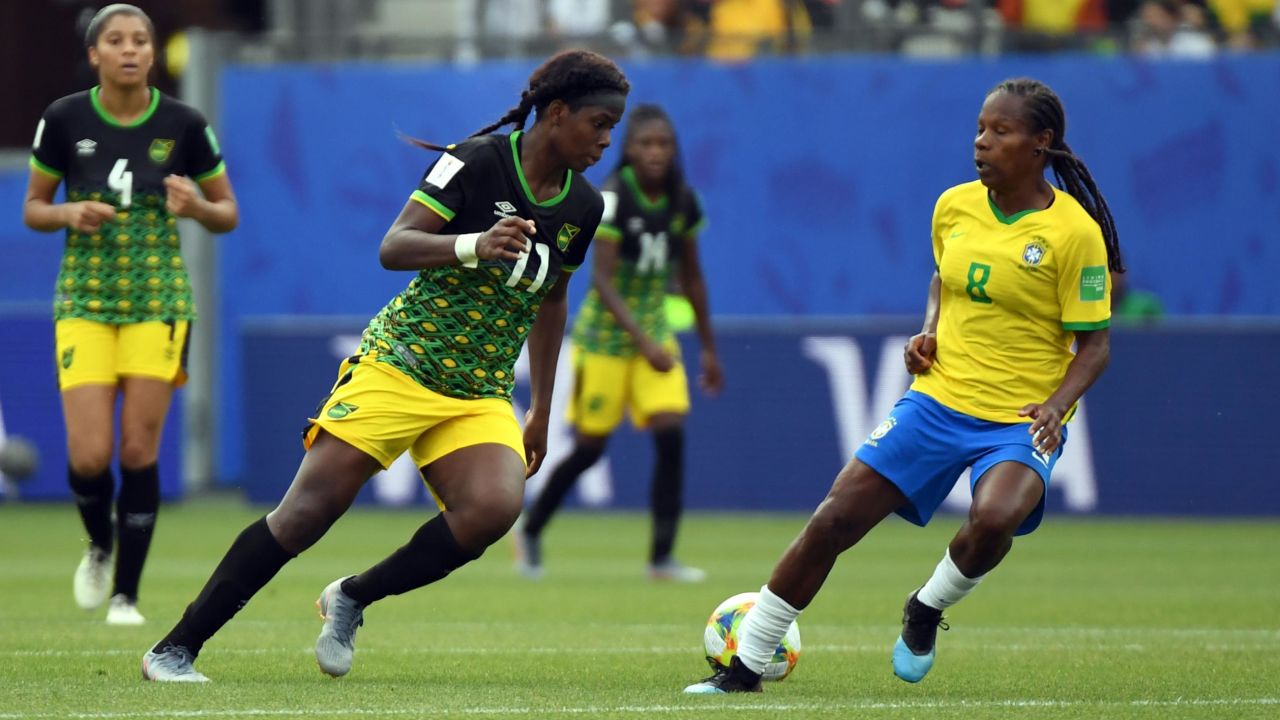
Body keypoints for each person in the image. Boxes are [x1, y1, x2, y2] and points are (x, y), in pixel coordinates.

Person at [140, 49, 629, 682]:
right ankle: (175, 647)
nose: (605, 140)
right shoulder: (476, 161)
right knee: (307, 513)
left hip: (476, 391)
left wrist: (539, 408)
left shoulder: (584, 207)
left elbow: (554, 298)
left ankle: (352, 597)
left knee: (492, 510)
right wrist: (473, 244)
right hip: (400, 364)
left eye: (610, 128)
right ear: (557, 113)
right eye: (597, 123)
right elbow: (393, 246)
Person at [685, 77, 1123, 693]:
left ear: (1040, 143)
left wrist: (1056, 405)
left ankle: (925, 608)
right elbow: (943, 281)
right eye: (979, 128)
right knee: (834, 519)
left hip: (1022, 416)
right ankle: (743, 668)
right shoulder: (954, 206)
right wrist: (928, 331)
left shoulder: (1074, 234)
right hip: (939, 400)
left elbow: (1096, 345)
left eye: (1001, 131)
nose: (981, 142)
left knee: (994, 519)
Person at [22, 3, 239, 626]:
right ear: (95, 54)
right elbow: (34, 206)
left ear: (152, 52)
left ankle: (126, 595)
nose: (130, 50)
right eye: (115, 40)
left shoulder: (185, 123)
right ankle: (98, 544)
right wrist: (67, 212)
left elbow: (228, 213)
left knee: (138, 449)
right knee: (90, 456)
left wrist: (197, 205)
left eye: (141, 40)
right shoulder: (63, 119)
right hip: (85, 301)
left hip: (158, 300)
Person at [515, 104, 722, 582]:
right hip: (605, 341)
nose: (655, 153)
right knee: (589, 448)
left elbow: (692, 276)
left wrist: (709, 348)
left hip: (655, 338)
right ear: (629, 150)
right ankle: (531, 528)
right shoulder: (610, 199)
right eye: (645, 144)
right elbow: (602, 284)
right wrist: (645, 342)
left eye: (663, 145)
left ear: (673, 151)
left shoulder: (683, 201)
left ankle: (661, 558)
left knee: (671, 436)